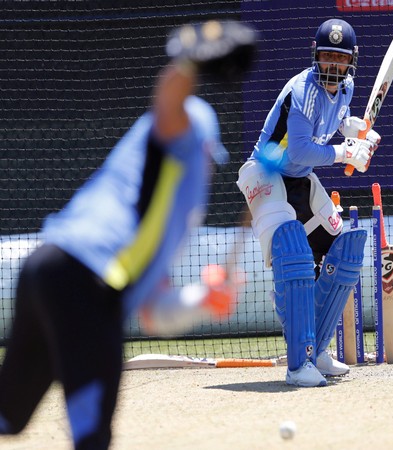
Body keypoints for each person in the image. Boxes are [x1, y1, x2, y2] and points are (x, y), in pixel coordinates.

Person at [0, 20, 257, 449]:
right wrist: (190, 62)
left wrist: (202, 299)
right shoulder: (178, 141)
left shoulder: (168, 220)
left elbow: (155, 314)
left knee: (9, 415)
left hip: (46, 269)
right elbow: (169, 101)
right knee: (91, 436)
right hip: (86, 283)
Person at [237, 18, 380, 387]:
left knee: (341, 251)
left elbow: (334, 120)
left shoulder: (345, 88)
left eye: (341, 59)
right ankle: (298, 364)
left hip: (299, 178)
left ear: (352, 62)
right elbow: (299, 147)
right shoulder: (303, 91)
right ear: (315, 56)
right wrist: (345, 151)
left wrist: (356, 133)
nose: (333, 66)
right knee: (294, 254)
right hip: (266, 174)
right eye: (327, 57)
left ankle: (316, 351)